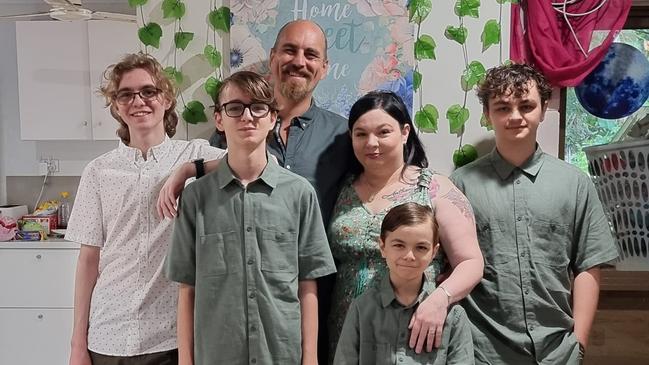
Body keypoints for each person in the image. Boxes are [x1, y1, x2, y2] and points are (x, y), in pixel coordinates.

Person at [157, 19, 351, 363]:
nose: (299, 61)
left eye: (310, 54)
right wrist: (191, 169)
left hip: (295, 319)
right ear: (273, 56)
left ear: (324, 67)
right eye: (290, 50)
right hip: (221, 340)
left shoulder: (342, 136)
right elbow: (235, 162)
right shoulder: (201, 194)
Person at [450, 63, 619, 364]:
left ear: (543, 109)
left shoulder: (575, 184)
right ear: (488, 115)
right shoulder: (460, 186)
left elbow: (588, 265)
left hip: (557, 352)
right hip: (482, 352)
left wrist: (578, 343)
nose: (515, 116)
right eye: (503, 107)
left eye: (526, 105)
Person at [65, 53, 226, 365]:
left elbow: (261, 163)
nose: (138, 101)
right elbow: (88, 261)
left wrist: (186, 171)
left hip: (169, 339)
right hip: (107, 336)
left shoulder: (193, 153)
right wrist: (77, 344)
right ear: (116, 106)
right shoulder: (98, 171)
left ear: (165, 99)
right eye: (126, 94)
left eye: (148, 91)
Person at [327, 91, 484, 360]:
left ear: (404, 132)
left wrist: (440, 299)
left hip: (416, 327)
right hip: (352, 333)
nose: (371, 143)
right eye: (361, 134)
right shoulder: (340, 188)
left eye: (383, 132)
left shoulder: (435, 188)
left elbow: (471, 262)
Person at [333, 202, 474, 365]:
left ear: (434, 252)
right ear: (383, 247)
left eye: (421, 247)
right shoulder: (362, 308)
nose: (409, 256)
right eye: (399, 245)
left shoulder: (453, 316)